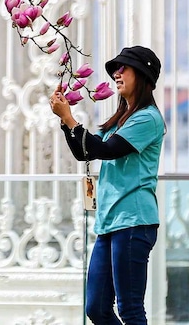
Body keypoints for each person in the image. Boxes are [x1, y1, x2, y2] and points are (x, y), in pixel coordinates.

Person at [50, 46, 164, 325]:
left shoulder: (148, 119)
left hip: (134, 222)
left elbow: (108, 150)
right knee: (96, 308)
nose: (117, 72)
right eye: (116, 68)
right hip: (110, 223)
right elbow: (85, 151)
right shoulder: (117, 121)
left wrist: (69, 118)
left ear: (143, 75)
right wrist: (66, 123)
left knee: (130, 309)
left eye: (124, 67)